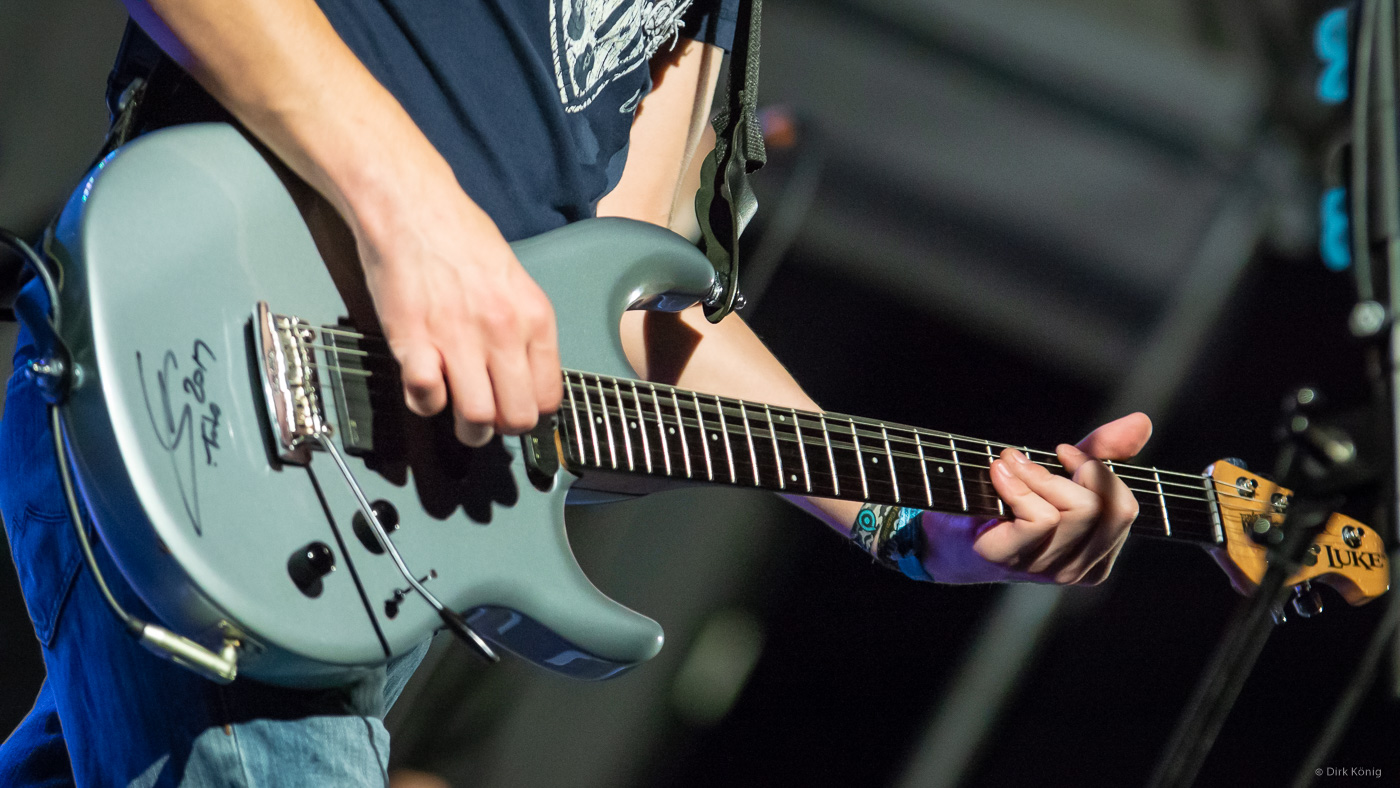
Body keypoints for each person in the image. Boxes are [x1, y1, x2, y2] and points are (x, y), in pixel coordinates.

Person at [0, 0, 1152, 784]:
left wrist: (902, 517)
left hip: (377, 537)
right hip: (215, 364)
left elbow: (620, 313)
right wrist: (413, 210)